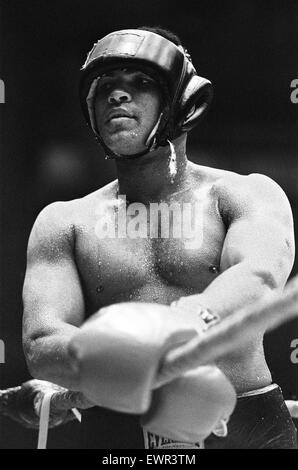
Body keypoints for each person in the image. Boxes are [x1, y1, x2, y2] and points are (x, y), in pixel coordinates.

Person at [22, 26, 297, 449]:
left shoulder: (244, 193)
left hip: (243, 428)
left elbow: (259, 278)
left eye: (141, 83)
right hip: (116, 434)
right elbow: (42, 341)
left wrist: (188, 318)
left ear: (183, 102)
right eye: (106, 87)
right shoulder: (64, 221)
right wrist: (115, 352)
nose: (117, 95)